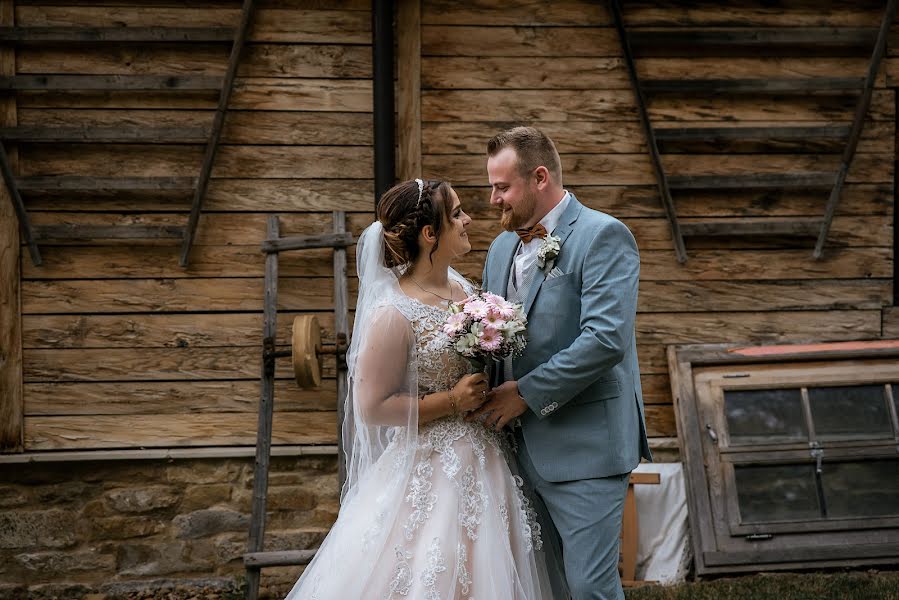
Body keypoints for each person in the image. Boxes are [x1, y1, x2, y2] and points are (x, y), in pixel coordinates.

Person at [284, 178, 562, 599]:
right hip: (430, 469)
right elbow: (372, 407)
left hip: (488, 458)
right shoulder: (393, 313)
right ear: (430, 234)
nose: (468, 219)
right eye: (456, 214)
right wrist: (451, 401)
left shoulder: (465, 289)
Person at [473, 126, 652, 600]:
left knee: (589, 588)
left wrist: (525, 393)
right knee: (542, 586)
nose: (493, 200)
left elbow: (606, 339)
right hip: (513, 447)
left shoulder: (602, 235)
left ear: (539, 177)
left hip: (584, 445)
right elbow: (491, 336)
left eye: (502, 187)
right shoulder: (499, 248)